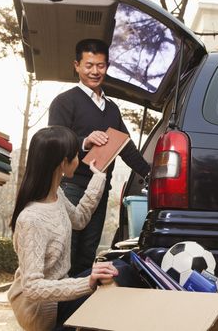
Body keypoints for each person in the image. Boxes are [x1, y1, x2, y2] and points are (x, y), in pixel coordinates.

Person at [7, 126, 142, 331]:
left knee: (120, 267)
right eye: (76, 155)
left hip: (60, 291)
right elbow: (32, 288)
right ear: (63, 162)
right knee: (116, 275)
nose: (80, 159)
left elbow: (79, 219)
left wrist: (98, 177)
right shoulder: (31, 219)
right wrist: (87, 282)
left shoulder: (56, 195)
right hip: (41, 311)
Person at [48, 38, 150, 276]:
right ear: (77, 65)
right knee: (68, 250)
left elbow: (126, 148)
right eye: (89, 65)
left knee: (87, 253)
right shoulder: (64, 102)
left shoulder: (112, 109)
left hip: (100, 190)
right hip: (71, 187)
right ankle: (61, 310)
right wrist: (84, 140)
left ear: (107, 66)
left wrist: (149, 174)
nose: (95, 71)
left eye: (100, 66)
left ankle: (81, 308)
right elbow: (54, 142)